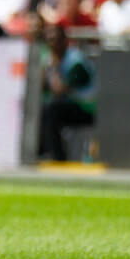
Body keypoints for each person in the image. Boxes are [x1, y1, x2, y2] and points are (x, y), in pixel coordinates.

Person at [37, 25, 97, 161]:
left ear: (65, 41)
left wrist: (54, 67)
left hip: (86, 110)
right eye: (49, 40)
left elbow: (59, 90)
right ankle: (40, 153)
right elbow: (39, 87)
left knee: (51, 110)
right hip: (66, 107)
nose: (52, 44)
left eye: (55, 40)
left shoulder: (76, 62)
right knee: (40, 110)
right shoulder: (48, 59)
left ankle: (58, 158)